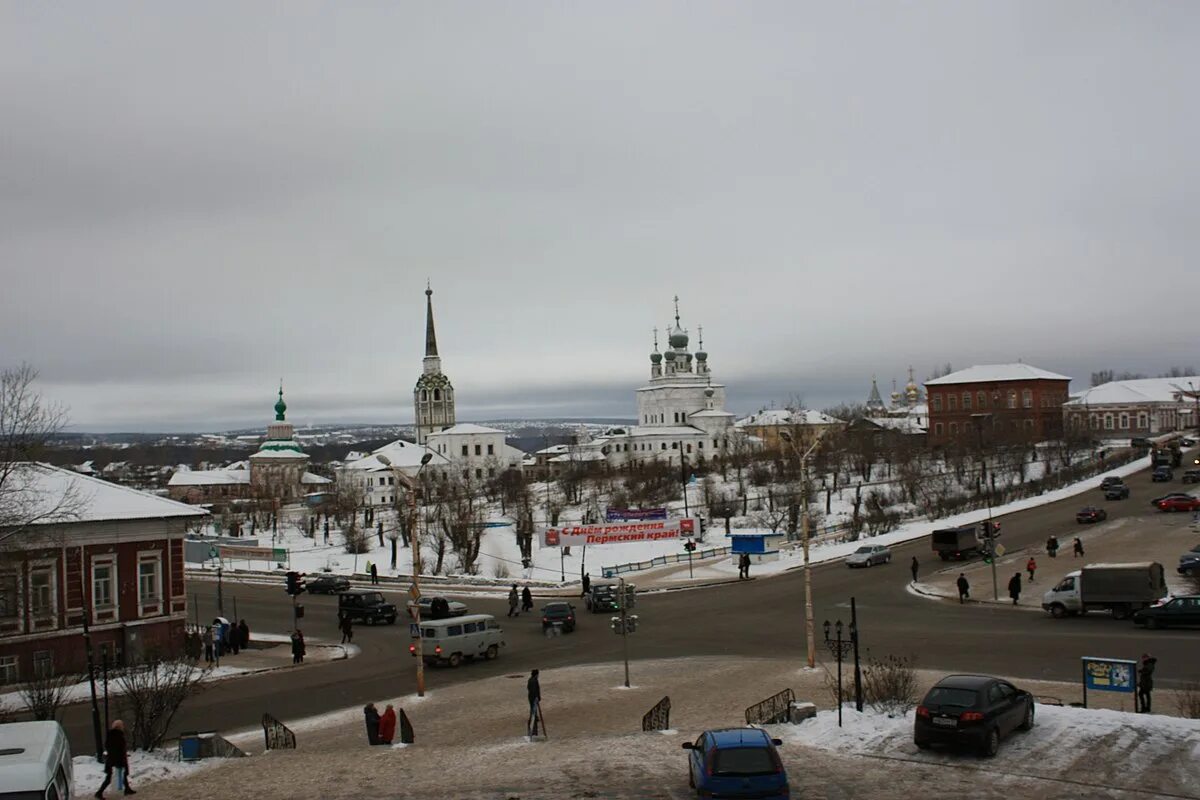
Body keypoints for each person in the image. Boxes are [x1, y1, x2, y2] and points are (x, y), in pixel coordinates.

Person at [95, 719, 135, 797]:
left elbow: (108, 747)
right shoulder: (118, 736)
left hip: (111, 760)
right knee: (111, 777)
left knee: (121, 775)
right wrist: (121, 759)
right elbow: (119, 749)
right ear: (119, 727)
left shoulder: (111, 735)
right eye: (122, 725)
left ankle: (127, 789)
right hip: (117, 760)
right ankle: (99, 793)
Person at [527, 669, 541, 736]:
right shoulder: (534, 681)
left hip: (531, 698)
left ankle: (535, 717)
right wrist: (536, 698)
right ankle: (533, 729)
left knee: (533, 710)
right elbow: (534, 690)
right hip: (533, 698)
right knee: (533, 711)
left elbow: (528, 688)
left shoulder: (530, 680)